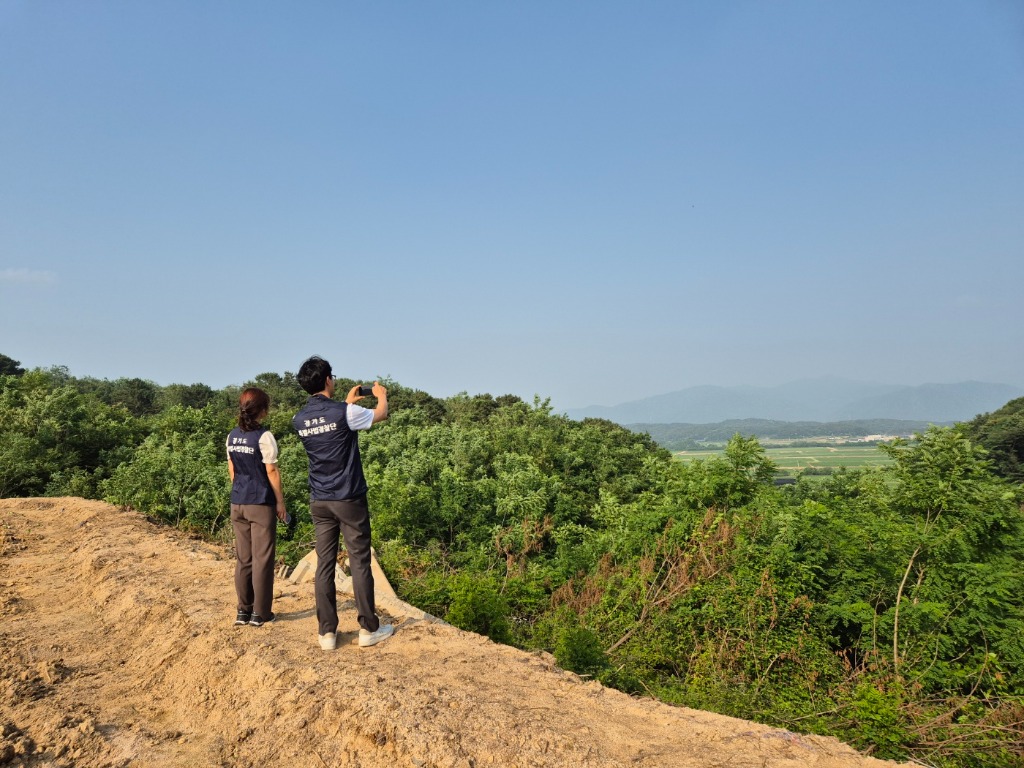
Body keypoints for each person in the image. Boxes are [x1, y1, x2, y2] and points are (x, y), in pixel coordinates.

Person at [293, 356, 394, 651]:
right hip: (348, 497)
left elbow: (330, 423)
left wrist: (349, 402)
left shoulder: (299, 420)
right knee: (359, 561)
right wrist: (381, 396)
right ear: (327, 380)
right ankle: (368, 629)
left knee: (324, 563)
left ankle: (327, 633)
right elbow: (380, 415)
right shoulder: (345, 413)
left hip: (319, 500)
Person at [227, 387, 287, 628]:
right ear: (263, 410)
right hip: (260, 503)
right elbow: (271, 470)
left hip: (237, 502)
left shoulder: (232, 435)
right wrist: (280, 502)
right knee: (263, 559)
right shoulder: (264, 437)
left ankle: (243, 610)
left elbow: (232, 470)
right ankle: (261, 614)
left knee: (244, 558)